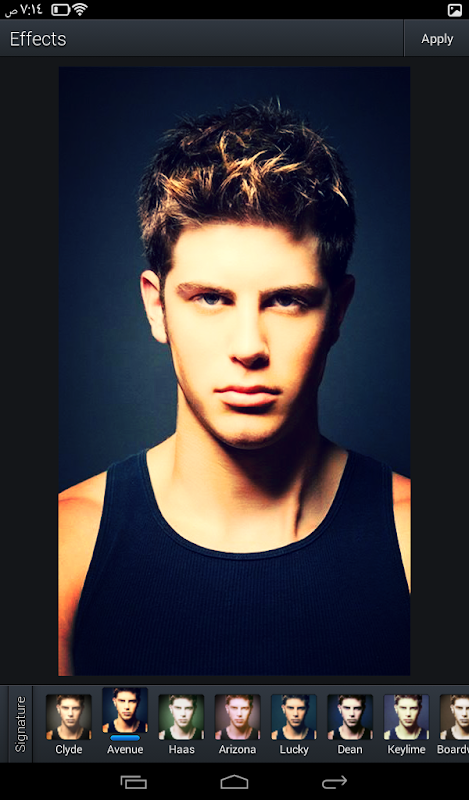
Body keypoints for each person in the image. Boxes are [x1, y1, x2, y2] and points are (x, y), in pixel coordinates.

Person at [58, 100, 410, 677]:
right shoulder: (61, 547)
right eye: (211, 298)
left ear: (338, 311)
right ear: (157, 307)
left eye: (287, 300)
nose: (249, 346)